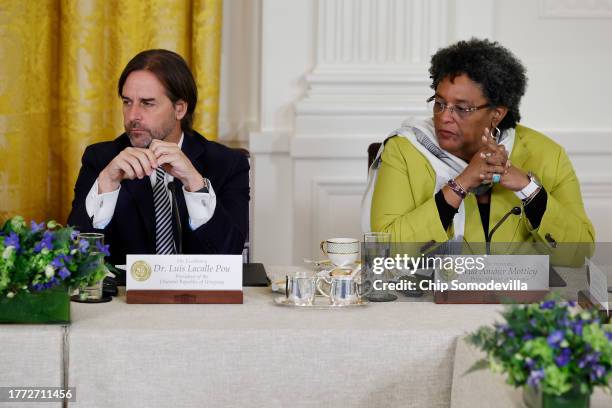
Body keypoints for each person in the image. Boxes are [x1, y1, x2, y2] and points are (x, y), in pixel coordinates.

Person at [365, 38, 594, 249]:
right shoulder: (405, 150)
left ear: (497, 114)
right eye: (440, 103)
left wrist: (527, 188)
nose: (444, 117)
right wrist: (462, 182)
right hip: (435, 291)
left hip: (520, 293)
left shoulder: (546, 155)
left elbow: (580, 252)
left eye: (462, 108)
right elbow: (385, 248)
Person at [68, 49, 249, 267]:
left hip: (199, 298)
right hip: (124, 298)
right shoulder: (101, 160)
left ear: (180, 108)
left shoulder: (226, 164)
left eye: (147, 103)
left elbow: (229, 257)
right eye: (127, 102)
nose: (133, 115)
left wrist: (195, 184)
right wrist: (107, 184)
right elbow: (76, 259)